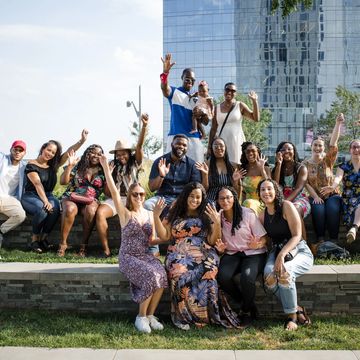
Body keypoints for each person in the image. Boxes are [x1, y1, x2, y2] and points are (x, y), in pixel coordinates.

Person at [153, 182, 242, 330]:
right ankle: (183, 317)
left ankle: (206, 316)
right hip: (178, 251)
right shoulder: (175, 209)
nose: (195, 200)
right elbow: (164, 235)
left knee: (208, 270)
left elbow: (213, 240)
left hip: (203, 250)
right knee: (179, 274)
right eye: (192, 196)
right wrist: (156, 216)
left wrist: (216, 222)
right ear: (185, 196)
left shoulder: (207, 211)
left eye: (198, 197)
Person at [99, 155, 168, 334]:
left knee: (162, 275)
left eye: (142, 194)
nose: (139, 196)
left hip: (145, 255)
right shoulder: (125, 213)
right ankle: (141, 317)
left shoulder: (148, 213)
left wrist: (167, 239)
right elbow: (114, 192)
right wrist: (107, 169)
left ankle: (151, 316)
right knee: (151, 276)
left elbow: (152, 240)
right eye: (135, 194)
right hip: (128, 257)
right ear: (130, 196)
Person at [258, 179, 313, 331]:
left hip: (298, 250)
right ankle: (297, 308)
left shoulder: (286, 206)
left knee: (285, 272)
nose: (266, 192)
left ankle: (292, 317)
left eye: (269, 188)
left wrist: (281, 255)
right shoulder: (262, 216)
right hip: (277, 251)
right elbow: (264, 238)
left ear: (276, 191)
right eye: (262, 189)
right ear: (259, 194)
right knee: (269, 278)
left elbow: (297, 235)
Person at [21, 130, 88, 253]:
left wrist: (82, 141)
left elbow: (69, 151)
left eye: (53, 152)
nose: (50, 154)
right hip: (31, 195)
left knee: (56, 208)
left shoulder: (54, 165)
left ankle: (44, 238)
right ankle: (34, 239)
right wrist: (46, 201)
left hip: (48, 194)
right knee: (42, 208)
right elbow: (37, 184)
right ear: (43, 148)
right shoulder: (31, 165)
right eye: (48, 150)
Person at [96, 113, 148, 257]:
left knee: (132, 220)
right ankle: (106, 250)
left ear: (128, 153)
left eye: (123, 154)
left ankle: (135, 249)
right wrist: (109, 173)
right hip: (116, 199)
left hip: (132, 199)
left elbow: (140, 146)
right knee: (100, 213)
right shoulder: (113, 166)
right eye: (118, 155)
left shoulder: (135, 163)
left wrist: (144, 126)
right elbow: (108, 192)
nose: (121, 157)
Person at [215, 186, 267, 324]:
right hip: (232, 253)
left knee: (247, 277)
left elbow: (264, 238)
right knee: (222, 276)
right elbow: (217, 241)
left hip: (253, 253)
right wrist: (220, 250)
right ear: (218, 201)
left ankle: (246, 311)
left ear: (234, 198)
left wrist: (259, 244)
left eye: (228, 197)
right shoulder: (217, 217)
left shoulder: (247, 214)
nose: (225, 201)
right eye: (222, 198)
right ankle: (246, 302)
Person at [302, 114, 343, 249]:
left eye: (320, 146)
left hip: (332, 194)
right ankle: (320, 239)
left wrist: (337, 123)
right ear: (311, 146)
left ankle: (334, 240)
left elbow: (333, 143)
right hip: (316, 195)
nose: (317, 148)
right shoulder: (305, 163)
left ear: (323, 148)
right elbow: (305, 182)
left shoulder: (328, 160)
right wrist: (314, 196)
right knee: (318, 210)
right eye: (315, 145)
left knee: (332, 209)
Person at [161, 53, 210, 162]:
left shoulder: (196, 99)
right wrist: (165, 73)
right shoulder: (174, 92)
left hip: (194, 138)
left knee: (197, 169)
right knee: (169, 169)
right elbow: (164, 88)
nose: (190, 82)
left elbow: (206, 122)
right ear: (182, 78)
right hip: (175, 136)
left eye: (192, 80)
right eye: (187, 79)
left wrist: (202, 113)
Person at [58, 144, 105, 257]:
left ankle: (84, 245)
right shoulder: (78, 165)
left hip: (91, 199)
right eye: (93, 152)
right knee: (70, 209)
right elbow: (63, 182)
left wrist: (108, 173)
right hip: (72, 196)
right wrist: (69, 166)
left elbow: (107, 191)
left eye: (99, 154)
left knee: (91, 211)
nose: (96, 156)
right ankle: (63, 244)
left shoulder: (104, 169)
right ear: (87, 153)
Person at [144, 134, 201, 214]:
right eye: (178, 143)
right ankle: (152, 227)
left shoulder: (192, 165)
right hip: (162, 198)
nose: (181, 146)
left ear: (187, 148)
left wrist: (179, 201)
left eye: (184, 145)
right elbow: (152, 188)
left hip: (183, 199)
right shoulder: (160, 161)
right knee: (147, 205)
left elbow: (195, 188)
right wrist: (161, 176)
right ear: (172, 145)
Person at [208, 82, 260, 166]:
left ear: (236, 93)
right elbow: (213, 128)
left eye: (233, 91)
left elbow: (255, 118)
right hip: (222, 144)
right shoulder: (216, 108)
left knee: (238, 166)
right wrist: (209, 147)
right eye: (227, 89)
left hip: (237, 142)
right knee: (222, 167)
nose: (229, 92)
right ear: (224, 91)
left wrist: (254, 101)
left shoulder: (239, 105)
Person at [321, 138, 360, 244]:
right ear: (350, 150)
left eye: (358, 147)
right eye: (354, 147)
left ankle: (354, 229)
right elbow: (338, 177)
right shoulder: (343, 166)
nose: (356, 150)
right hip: (349, 198)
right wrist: (333, 187)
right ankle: (354, 228)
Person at [272, 141, 310, 239]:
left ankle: (304, 243)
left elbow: (298, 188)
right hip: (282, 199)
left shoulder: (301, 168)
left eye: (289, 149)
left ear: (294, 151)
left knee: (295, 210)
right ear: (279, 153)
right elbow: (275, 186)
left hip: (298, 199)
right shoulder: (276, 168)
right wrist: (279, 165)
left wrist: (285, 203)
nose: (286, 151)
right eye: (283, 150)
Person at [195, 137, 241, 203]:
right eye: (216, 146)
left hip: (228, 199)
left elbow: (237, 190)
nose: (219, 148)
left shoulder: (233, 166)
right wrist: (205, 175)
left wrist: (235, 181)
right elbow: (204, 190)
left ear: (225, 148)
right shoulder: (206, 165)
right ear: (212, 149)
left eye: (221, 146)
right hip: (212, 199)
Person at [0, 140, 27, 252]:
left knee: (20, 215)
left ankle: (1, 231)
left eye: (21, 150)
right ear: (11, 149)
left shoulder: (25, 166)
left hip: (10, 198)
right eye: (15, 149)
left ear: (24, 153)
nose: (17, 152)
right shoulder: (2, 159)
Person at [239, 141, 271, 214]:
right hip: (245, 202)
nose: (250, 153)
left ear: (258, 152)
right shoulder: (243, 169)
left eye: (253, 151)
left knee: (249, 203)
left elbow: (269, 185)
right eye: (248, 152)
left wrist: (262, 169)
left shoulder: (265, 168)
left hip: (262, 202)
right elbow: (243, 192)